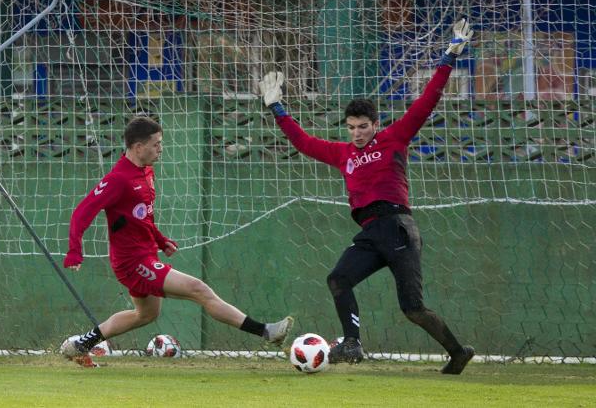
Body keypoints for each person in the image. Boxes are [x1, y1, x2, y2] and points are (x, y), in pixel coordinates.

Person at [259, 19, 475, 374]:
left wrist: (450, 56)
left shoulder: (394, 138)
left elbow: (427, 101)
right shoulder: (343, 153)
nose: (357, 133)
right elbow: (303, 142)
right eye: (351, 127)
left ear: (375, 124)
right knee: (338, 279)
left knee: (412, 308)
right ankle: (352, 343)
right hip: (371, 232)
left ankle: (457, 351)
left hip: (398, 228)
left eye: (363, 127)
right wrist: (276, 106)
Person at [61, 116, 293, 367]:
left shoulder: (146, 172)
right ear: (138, 147)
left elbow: (141, 216)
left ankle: (80, 345)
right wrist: (75, 251)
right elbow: (81, 212)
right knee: (199, 290)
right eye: (156, 144)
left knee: (145, 314)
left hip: (146, 254)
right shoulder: (119, 179)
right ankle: (267, 332)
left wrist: (160, 240)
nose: (161, 149)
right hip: (132, 262)